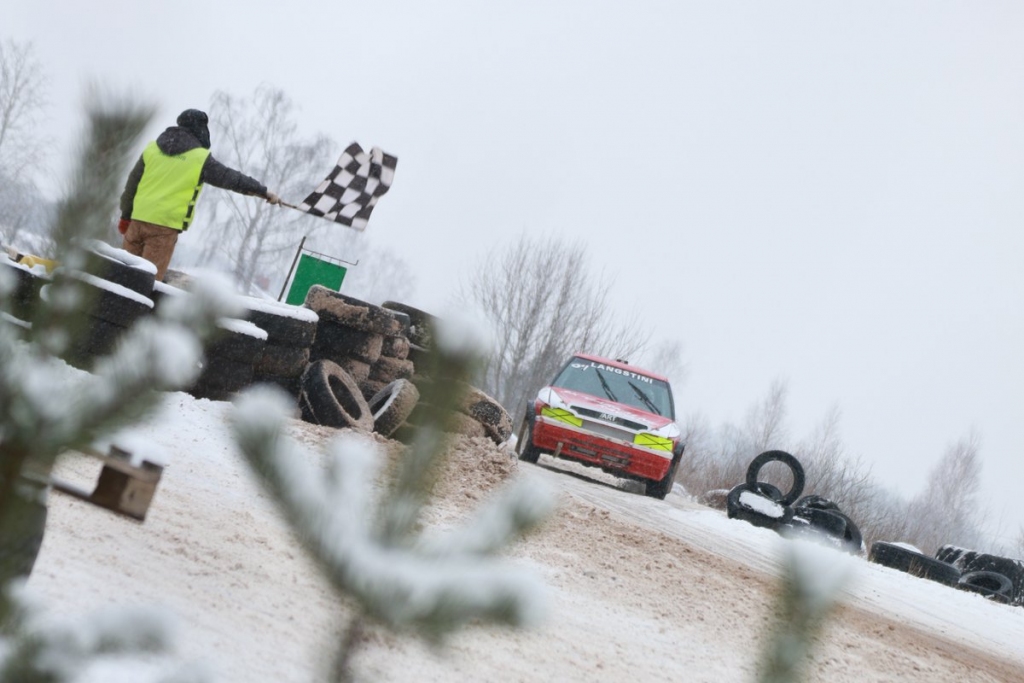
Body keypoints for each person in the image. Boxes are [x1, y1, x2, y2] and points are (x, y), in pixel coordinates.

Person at [118, 108, 281, 281]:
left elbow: (132, 185)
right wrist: (262, 191)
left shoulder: (152, 149)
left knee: (121, 278)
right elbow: (230, 178)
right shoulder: (199, 157)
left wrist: (126, 216)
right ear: (201, 130)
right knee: (145, 282)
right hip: (163, 228)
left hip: (136, 222)